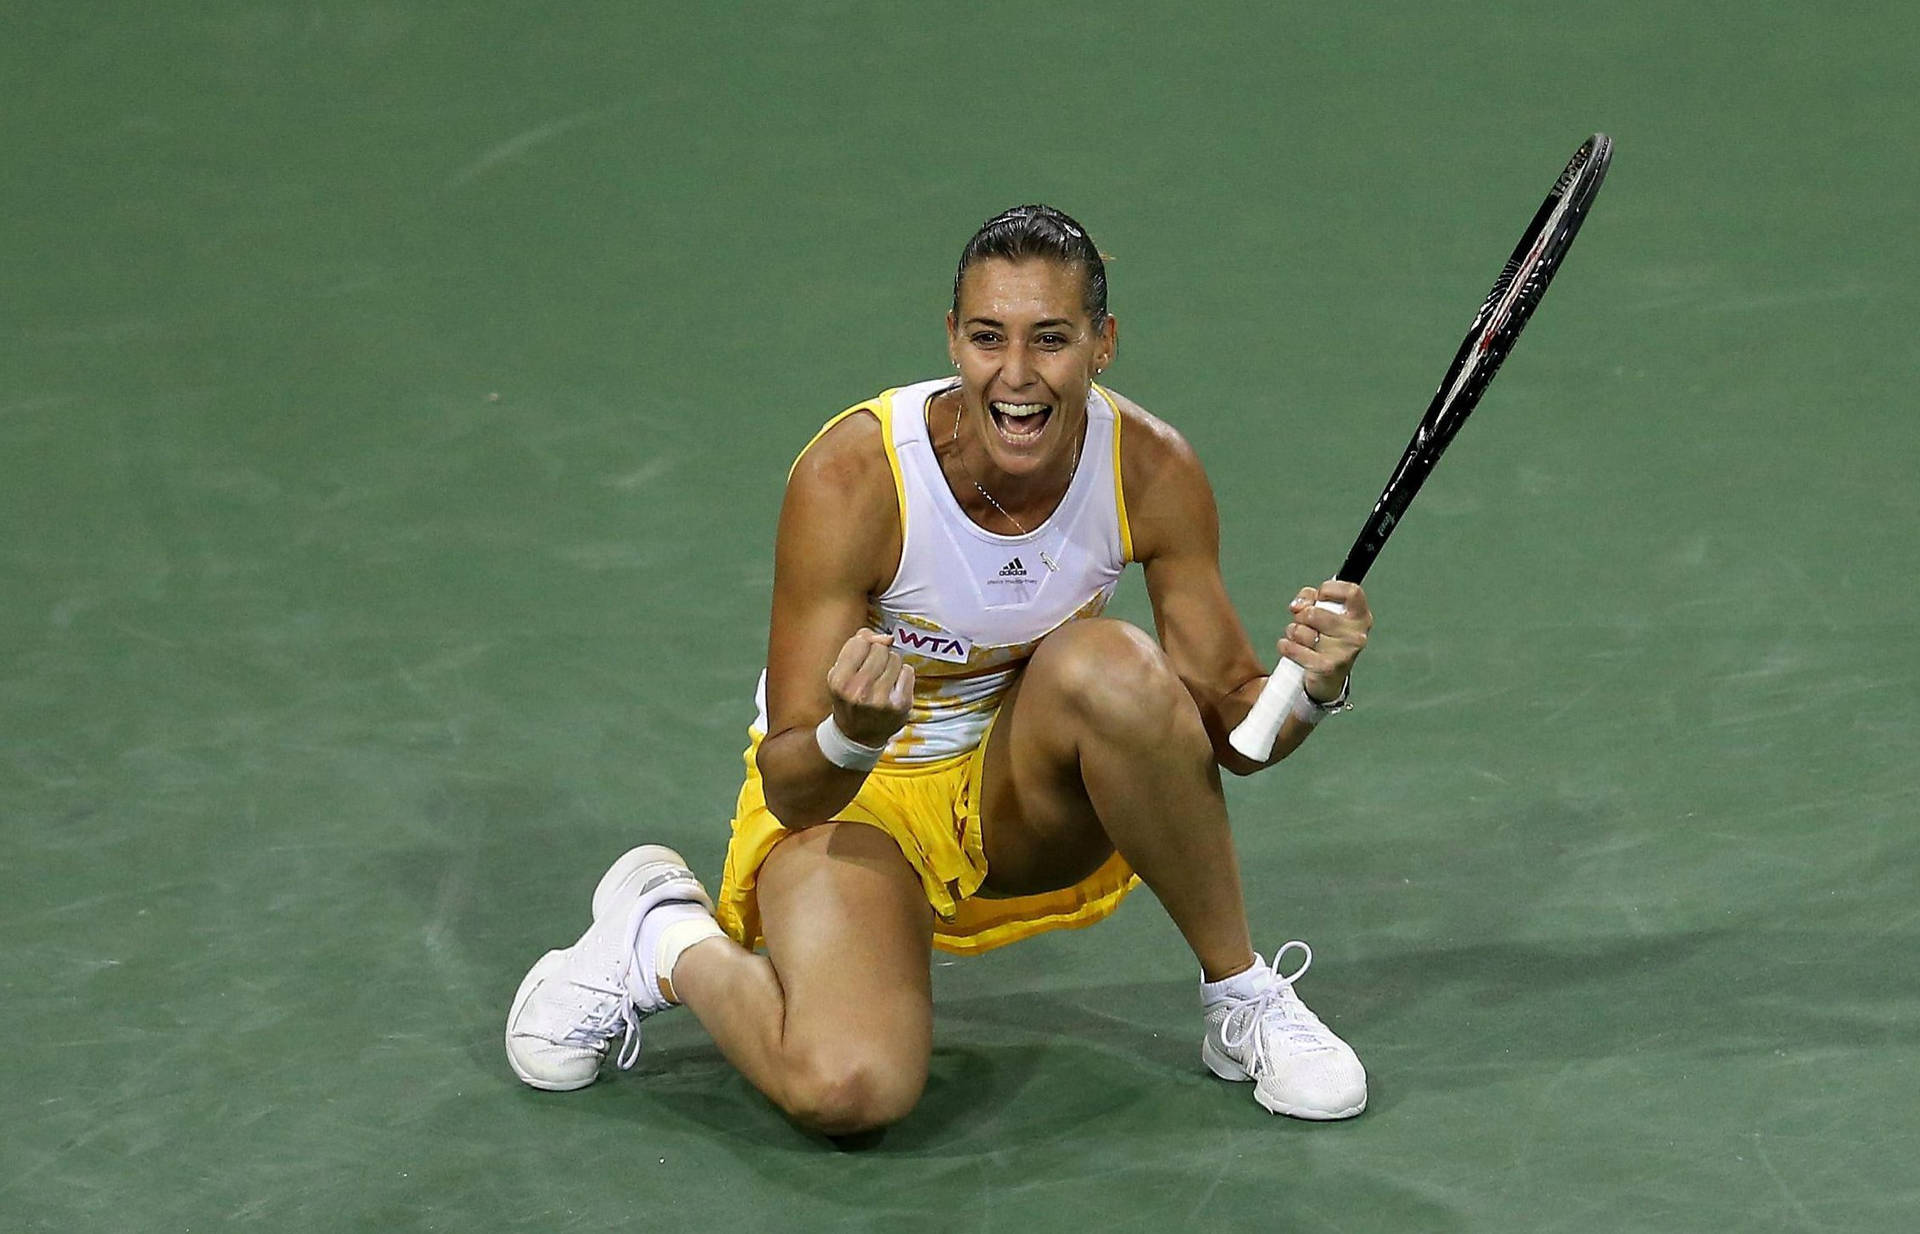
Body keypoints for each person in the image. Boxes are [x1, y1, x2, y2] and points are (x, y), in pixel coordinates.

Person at [505, 204, 1374, 1135]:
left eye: (1051, 339)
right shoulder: (855, 479)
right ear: (952, 340)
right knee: (848, 1092)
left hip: (1014, 794)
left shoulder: (1151, 468)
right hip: (851, 799)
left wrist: (1313, 686)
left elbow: (1229, 736)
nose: (1016, 375)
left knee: (1113, 667)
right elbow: (794, 786)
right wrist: (853, 731)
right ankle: (663, 939)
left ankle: (1241, 999)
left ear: (1102, 345)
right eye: (988, 337)